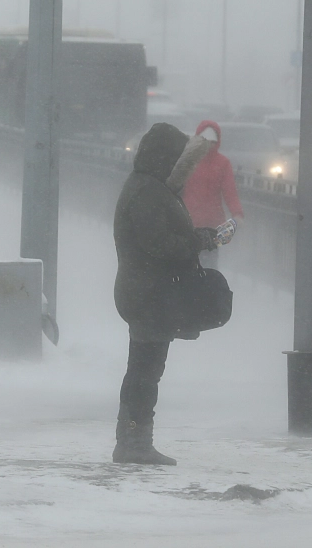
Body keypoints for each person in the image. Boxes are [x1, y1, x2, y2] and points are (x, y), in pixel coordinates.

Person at [112, 123, 216, 466]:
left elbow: (160, 238)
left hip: (147, 292)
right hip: (147, 294)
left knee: (144, 370)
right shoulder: (147, 192)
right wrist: (197, 241)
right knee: (144, 372)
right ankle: (134, 442)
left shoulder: (150, 188)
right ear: (166, 157)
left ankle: (134, 439)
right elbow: (158, 245)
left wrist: (195, 237)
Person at [181, 120, 243, 269]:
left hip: (206, 225)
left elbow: (230, 191)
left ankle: (197, 289)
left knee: (202, 267)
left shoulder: (219, 163)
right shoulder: (191, 160)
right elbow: (230, 193)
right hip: (194, 224)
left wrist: (237, 213)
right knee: (202, 268)